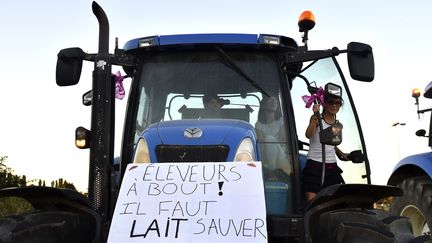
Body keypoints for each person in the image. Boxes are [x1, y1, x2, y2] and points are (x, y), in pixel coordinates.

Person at [302, 93, 350, 202]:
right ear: (324, 104)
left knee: (333, 200)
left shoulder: (337, 124)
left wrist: (341, 153)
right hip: (314, 163)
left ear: (340, 106)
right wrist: (315, 117)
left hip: (331, 165)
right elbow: (308, 135)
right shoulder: (318, 119)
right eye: (330, 102)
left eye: (337, 103)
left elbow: (331, 143)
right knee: (311, 199)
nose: (334, 105)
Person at [255, 95, 290, 175]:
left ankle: (271, 169)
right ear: (263, 105)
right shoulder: (259, 125)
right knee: (269, 140)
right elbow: (262, 146)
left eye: (275, 101)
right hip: (266, 156)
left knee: (269, 139)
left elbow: (282, 142)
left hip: (282, 155)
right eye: (270, 100)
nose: (274, 102)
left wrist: (269, 141)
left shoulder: (281, 121)